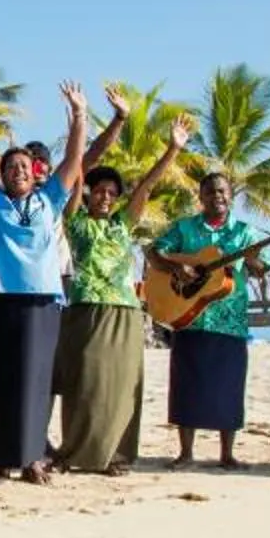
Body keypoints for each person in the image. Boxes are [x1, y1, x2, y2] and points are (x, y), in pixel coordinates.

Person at [56, 111, 193, 474]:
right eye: (99, 191)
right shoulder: (77, 221)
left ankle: (115, 456)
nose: (104, 196)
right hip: (87, 308)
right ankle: (76, 453)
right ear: (89, 195)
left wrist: (172, 150)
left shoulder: (122, 224)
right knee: (86, 385)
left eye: (111, 193)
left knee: (122, 389)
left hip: (127, 311)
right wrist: (82, 130)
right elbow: (76, 174)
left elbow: (147, 186)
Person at [0, 81, 90, 483]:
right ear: (2, 175)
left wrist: (78, 115)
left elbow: (76, 159)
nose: (18, 170)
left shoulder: (49, 201)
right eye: (10, 167)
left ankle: (32, 458)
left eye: (24, 166)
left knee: (37, 382)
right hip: (1, 300)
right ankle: (1, 459)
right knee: (2, 380)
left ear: (35, 172)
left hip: (42, 302)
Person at [149, 166, 270, 469]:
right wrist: (177, 268)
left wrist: (257, 263)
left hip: (229, 320)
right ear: (200, 197)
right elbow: (155, 253)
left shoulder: (244, 232)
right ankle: (186, 453)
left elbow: (260, 265)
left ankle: (227, 454)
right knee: (186, 384)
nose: (216, 195)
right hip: (189, 316)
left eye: (222, 191)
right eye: (210, 191)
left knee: (229, 385)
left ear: (230, 197)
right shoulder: (185, 228)